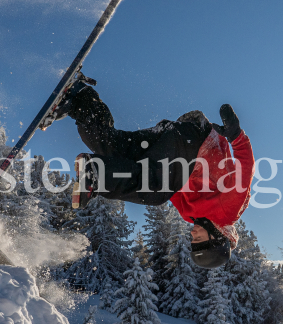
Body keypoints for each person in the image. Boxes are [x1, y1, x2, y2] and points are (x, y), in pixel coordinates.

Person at [52, 74, 254, 268]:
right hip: (196, 142)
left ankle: (78, 98)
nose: (193, 236)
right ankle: (96, 174)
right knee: (156, 191)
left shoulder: (189, 214)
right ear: (216, 237)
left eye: (193, 242)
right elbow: (246, 168)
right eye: (199, 239)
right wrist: (236, 135)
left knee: (113, 147)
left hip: (172, 145)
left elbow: (168, 185)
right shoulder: (228, 212)